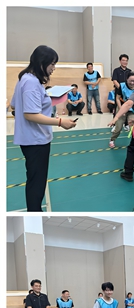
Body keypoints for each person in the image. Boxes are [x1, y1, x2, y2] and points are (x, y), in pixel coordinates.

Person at [11, 45, 77, 211]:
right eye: (52, 64)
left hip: (31, 139)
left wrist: (46, 101)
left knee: (36, 180)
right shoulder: (31, 82)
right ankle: (34, 212)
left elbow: (14, 106)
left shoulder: (25, 78)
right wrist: (60, 122)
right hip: (35, 140)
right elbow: (30, 114)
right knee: (37, 183)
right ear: (42, 63)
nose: (54, 68)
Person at [108, 70, 134, 149]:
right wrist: (121, 109)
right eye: (130, 81)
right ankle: (112, 139)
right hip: (122, 107)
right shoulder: (122, 86)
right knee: (118, 127)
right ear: (127, 79)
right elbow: (117, 98)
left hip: (132, 110)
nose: (132, 83)